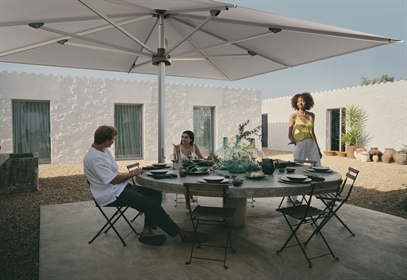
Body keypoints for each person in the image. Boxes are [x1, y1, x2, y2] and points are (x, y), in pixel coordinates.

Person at [84, 125, 209, 246]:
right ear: (106, 141)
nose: (113, 142)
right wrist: (132, 174)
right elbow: (113, 180)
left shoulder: (103, 150)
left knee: (155, 193)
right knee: (151, 204)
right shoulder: (95, 158)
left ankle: (147, 229)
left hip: (119, 187)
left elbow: (113, 175)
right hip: (110, 194)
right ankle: (180, 233)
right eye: (112, 140)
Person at [288, 92, 322, 204]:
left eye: (302, 100)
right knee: (298, 169)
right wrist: (293, 140)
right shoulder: (293, 116)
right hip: (300, 144)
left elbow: (313, 132)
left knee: (318, 168)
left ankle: (325, 197)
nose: (300, 103)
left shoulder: (312, 115)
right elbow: (290, 133)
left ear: (307, 101)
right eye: (297, 101)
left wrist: (318, 148)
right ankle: (292, 198)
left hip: (311, 143)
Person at [172, 130, 205, 213]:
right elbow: (176, 161)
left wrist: (207, 159)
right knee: (186, 183)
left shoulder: (195, 147)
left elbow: (201, 158)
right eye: (182, 137)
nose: (183, 139)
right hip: (182, 170)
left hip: (192, 169)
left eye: (186, 137)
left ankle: (191, 196)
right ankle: (187, 204)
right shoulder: (178, 147)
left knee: (195, 180)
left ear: (191, 139)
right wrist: (176, 151)